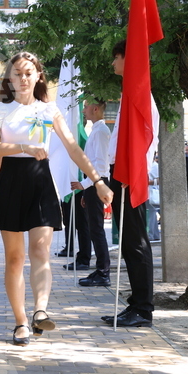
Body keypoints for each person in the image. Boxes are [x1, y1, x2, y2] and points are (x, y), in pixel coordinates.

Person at [0, 52, 114, 345]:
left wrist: (98, 181)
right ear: (10, 79)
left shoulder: (50, 110)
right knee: (15, 258)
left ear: (39, 76)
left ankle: (40, 311)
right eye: (17, 73)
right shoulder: (1, 110)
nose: (23, 79)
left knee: (41, 250)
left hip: (41, 183)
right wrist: (23, 147)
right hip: (11, 183)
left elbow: (74, 150)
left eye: (29, 73)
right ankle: (20, 323)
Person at [101, 40, 155, 328]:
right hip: (119, 174)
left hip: (130, 176)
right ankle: (135, 304)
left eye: (116, 57)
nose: (113, 63)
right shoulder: (128, 96)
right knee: (128, 242)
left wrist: (128, 174)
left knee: (136, 243)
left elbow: (145, 142)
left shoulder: (141, 98)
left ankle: (144, 309)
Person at [72, 100, 112, 286]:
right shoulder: (96, 131)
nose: (83, 110)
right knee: (94, 229)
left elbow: (101, 166)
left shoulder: (101, 132)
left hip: (98, 183)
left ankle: (104, 273)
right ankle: (100, 270)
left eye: (86, 106)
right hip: (93, 185)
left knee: (96, 229)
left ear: (96, 109)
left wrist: (87, 184)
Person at [146, 152, 160, 242]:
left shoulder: (154, 166)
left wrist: (147, 182)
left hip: (150, 191)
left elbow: (158, 180)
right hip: (148, 191)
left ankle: (151, 234)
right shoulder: (152, 165)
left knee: (151, 214)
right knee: (151, 214)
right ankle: (154, 234)